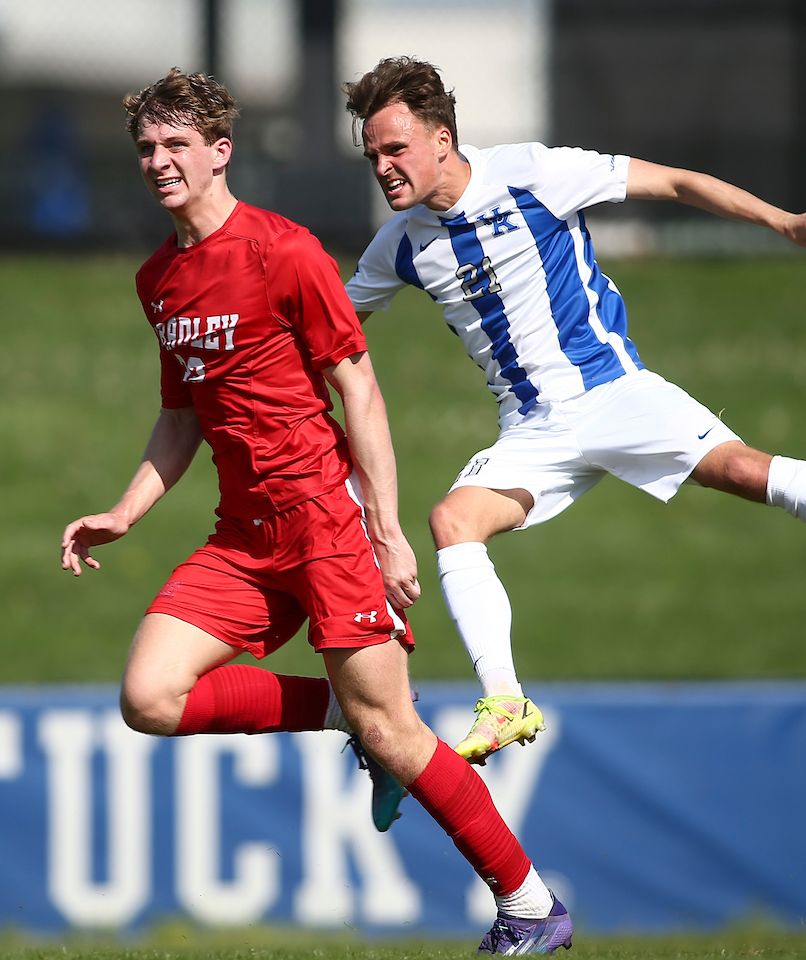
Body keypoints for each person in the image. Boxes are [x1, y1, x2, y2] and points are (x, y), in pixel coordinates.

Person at [341, 56, 806, 766]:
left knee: (744, 470)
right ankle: (506, 700)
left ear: (442, 138)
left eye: (395, 148)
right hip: (532, 432)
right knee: (452, 522)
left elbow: (676, 181)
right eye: (372, 154)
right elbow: (326, 331)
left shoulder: (532, 172)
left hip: (616, 395)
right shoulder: (398, 248)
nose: (383, 167)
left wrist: (783, 221)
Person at [60, 68, 573, 954]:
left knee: (399, 729)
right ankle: (347, 721)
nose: (159, 161)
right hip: (244, 535)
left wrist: (383, 530)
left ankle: (530, 906)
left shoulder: (284, 251)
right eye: (147, 147)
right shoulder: (160, 281)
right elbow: (179, 416)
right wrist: (126, 511)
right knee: (148, 695)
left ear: (221, 153)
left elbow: (359, 390)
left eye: (177, 144)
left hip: (324, 521)